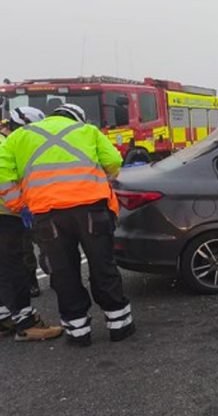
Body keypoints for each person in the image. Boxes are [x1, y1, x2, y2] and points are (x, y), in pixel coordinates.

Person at [0, 103, 134, 346]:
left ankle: (78, 331)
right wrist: (102, 180)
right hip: (91, 209)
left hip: (48, 214)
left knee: (63, 271)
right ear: (76, 117)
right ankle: (119, 325)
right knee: (102, 263)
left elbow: (3, 172)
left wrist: (20, 204)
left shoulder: (18, 137)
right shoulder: (88, 131)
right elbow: (113, 161)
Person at [0, 106, 63, 341]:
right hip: (5, 215)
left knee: (4, 269)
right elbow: (3, 178)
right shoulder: (7, 143)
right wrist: (20, 205)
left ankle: (5, 319)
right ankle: (26, 324)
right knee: (13, 268)